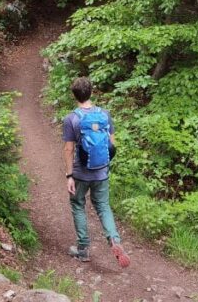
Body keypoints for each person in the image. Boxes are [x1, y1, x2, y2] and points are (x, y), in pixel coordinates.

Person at [62, 76, 130, 267]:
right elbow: (112, 144)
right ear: (92, 92)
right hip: (101, 172)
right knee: (103, 206)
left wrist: (69, 175)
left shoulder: (71, 119)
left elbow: (69, 149)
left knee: (78, 205)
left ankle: (83, 249)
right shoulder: (105, 115)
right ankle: (114, 240)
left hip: (81, 174)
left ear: (74, 95)